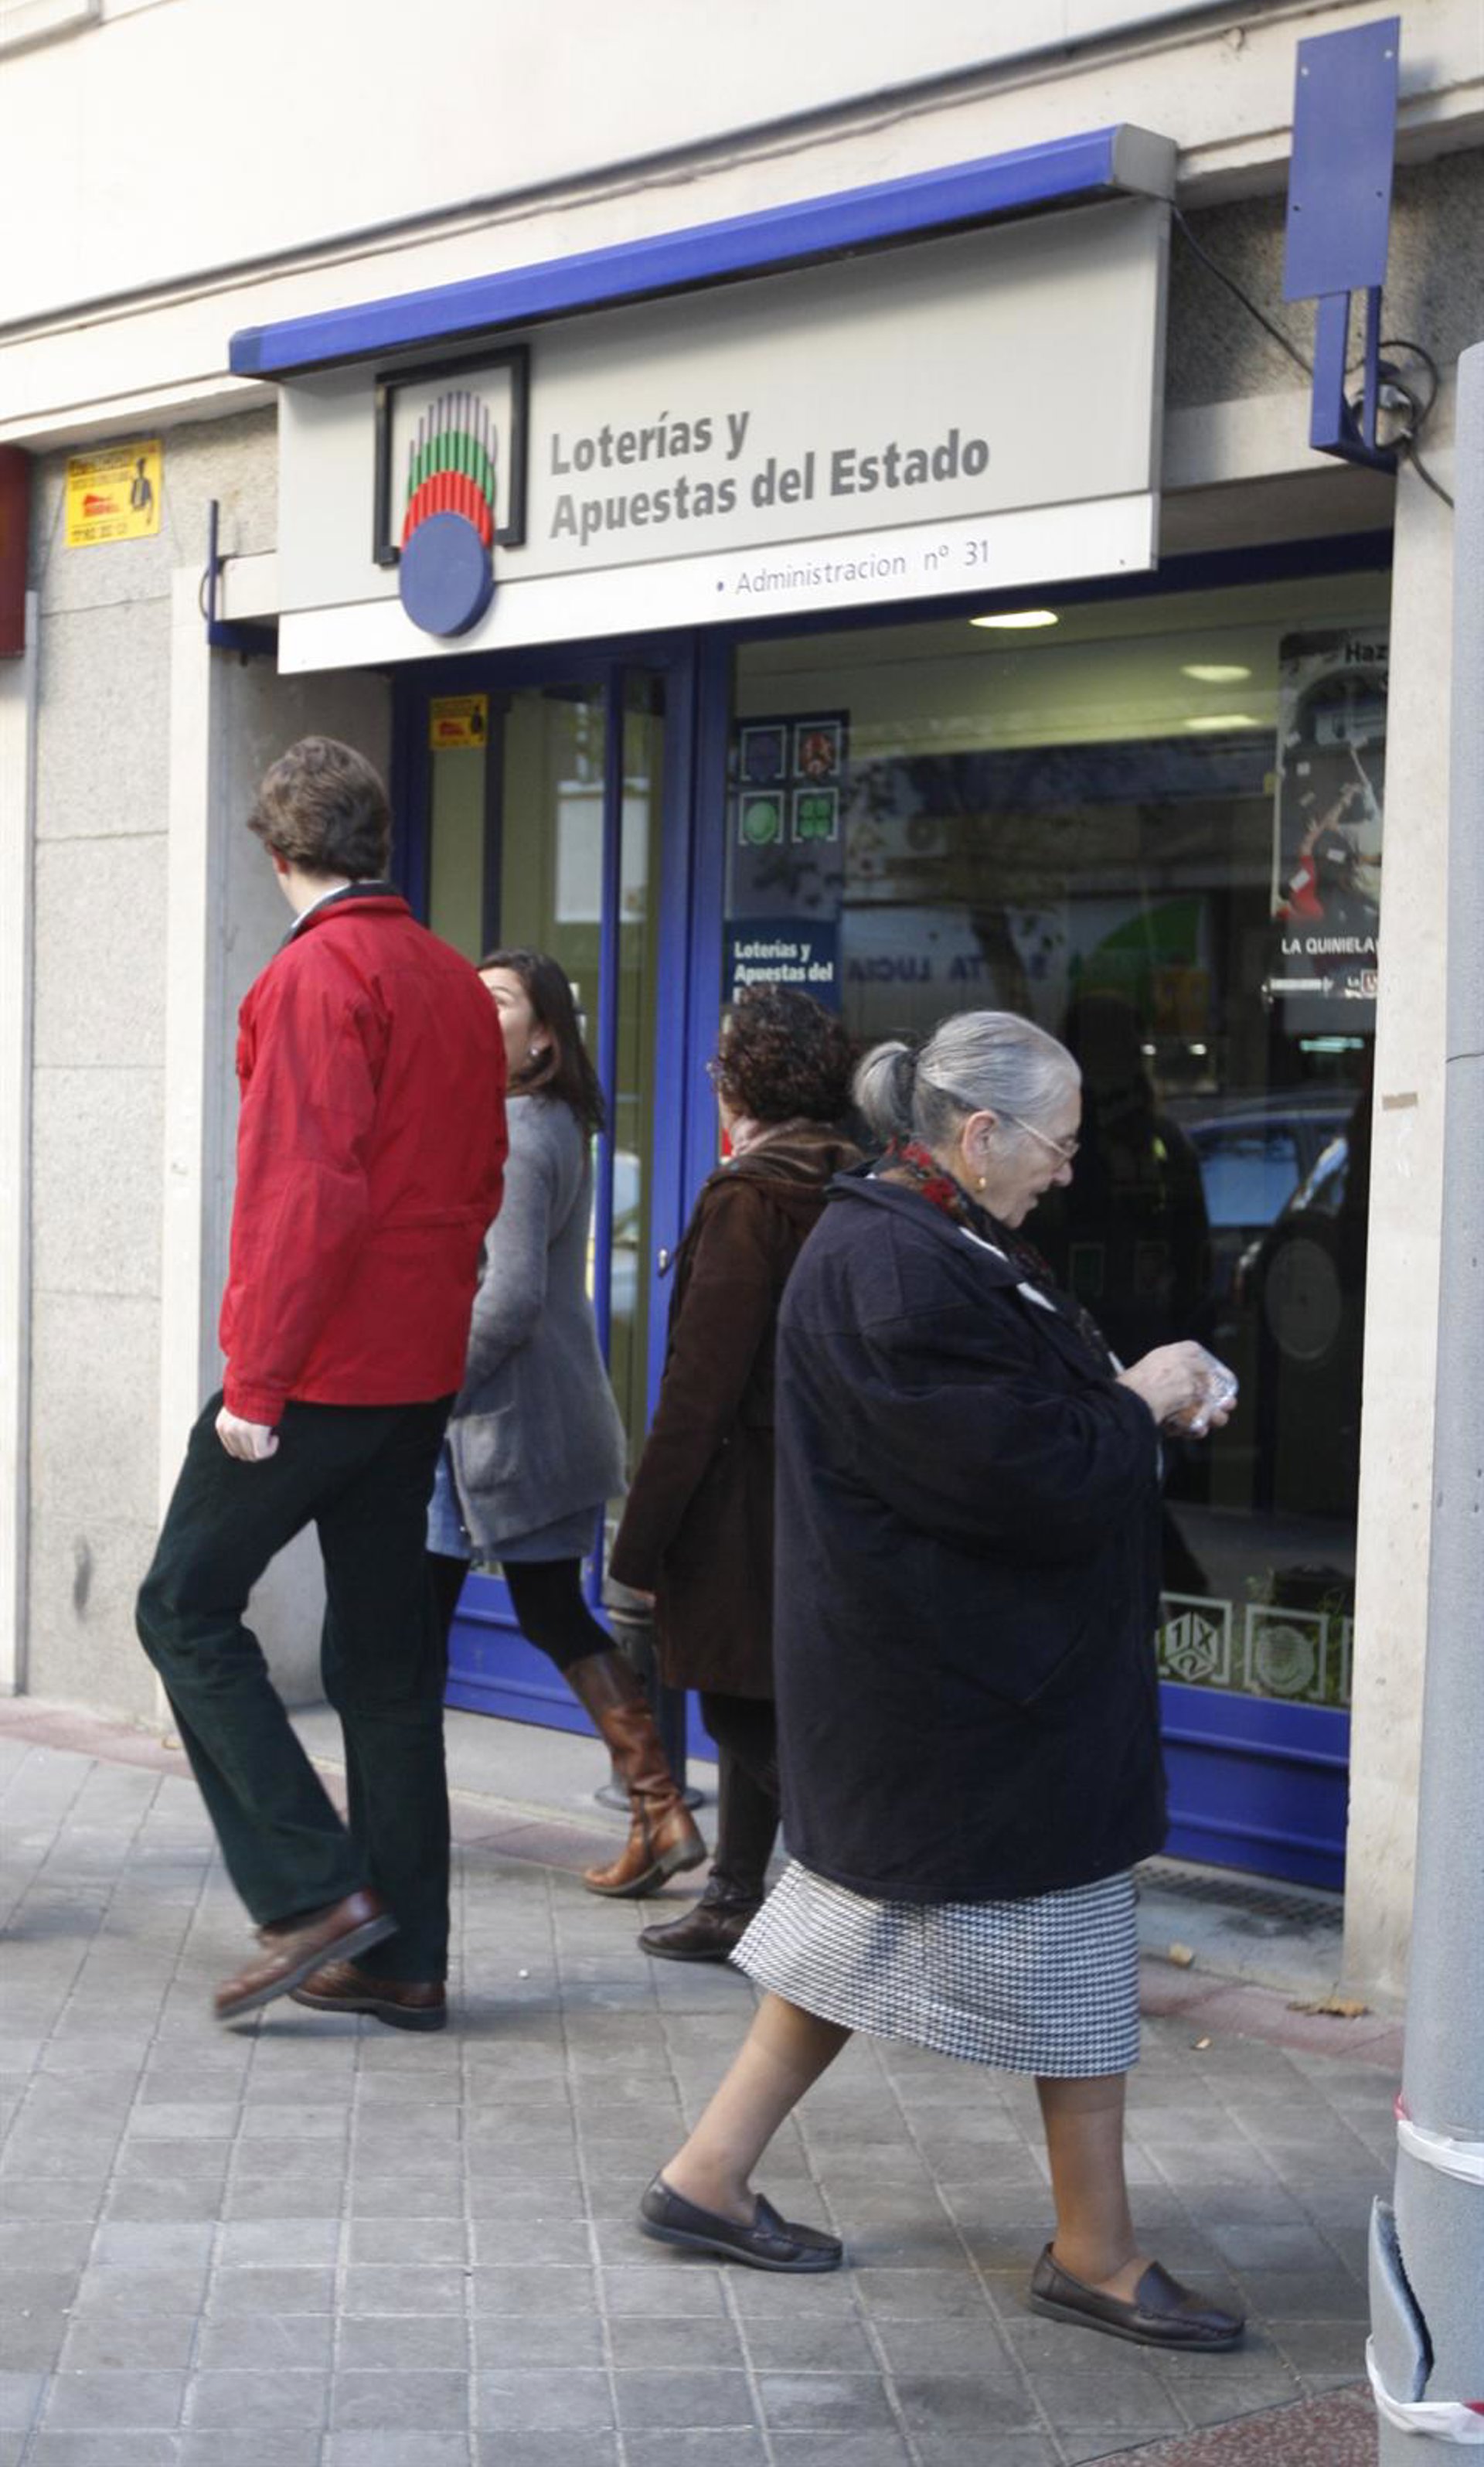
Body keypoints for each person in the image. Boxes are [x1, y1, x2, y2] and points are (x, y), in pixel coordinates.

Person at [637, 1010, 1246, 2356]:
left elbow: (1009, 1427)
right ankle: (1095, 2253)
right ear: (978, 1134)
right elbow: (1013, 1474)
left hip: (950, 1694)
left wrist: (1134, 1396)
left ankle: (708, 2175)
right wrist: (1137, 1402)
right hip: (971, 1703)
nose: (1071, 1170)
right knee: (1070, 1961)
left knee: (851, 1940)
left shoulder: (927, 1233)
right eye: (1059, 1145)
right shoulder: (897, 1261)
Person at [135, 738, 507, 2029]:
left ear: (276, 846)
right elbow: (480, 1180)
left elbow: (307, 1189)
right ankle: (406, 1959)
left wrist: (256, 1382)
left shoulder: (315, 975)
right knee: (387, 1669)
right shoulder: (452, 979)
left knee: (181, 1606)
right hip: (416, 1370)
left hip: (321, 1369)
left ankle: (312, 1892)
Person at [301, 949, 702, 1959]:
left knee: (476, 1622)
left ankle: (639, 1808)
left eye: (501, 1001)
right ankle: (651, 1811)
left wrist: (425, 1392)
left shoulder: (523, 1130)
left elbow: (510, 1297)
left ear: (544, 1037)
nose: (478, 1013)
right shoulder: (531, 1119)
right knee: (483, 1617)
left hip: (504, 1421)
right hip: (504, 1424)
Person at [609, 985, 859, 1963]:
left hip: (746, 1499)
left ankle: (876, 1888)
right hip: (830, 1490)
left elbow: (697, 1389)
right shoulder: (855, 1177)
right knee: (765, 1692)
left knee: (737, 1703)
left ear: (741, 1085)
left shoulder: (749, 1199)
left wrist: (642, 1543)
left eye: (722, 1069)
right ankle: (734, 1896)